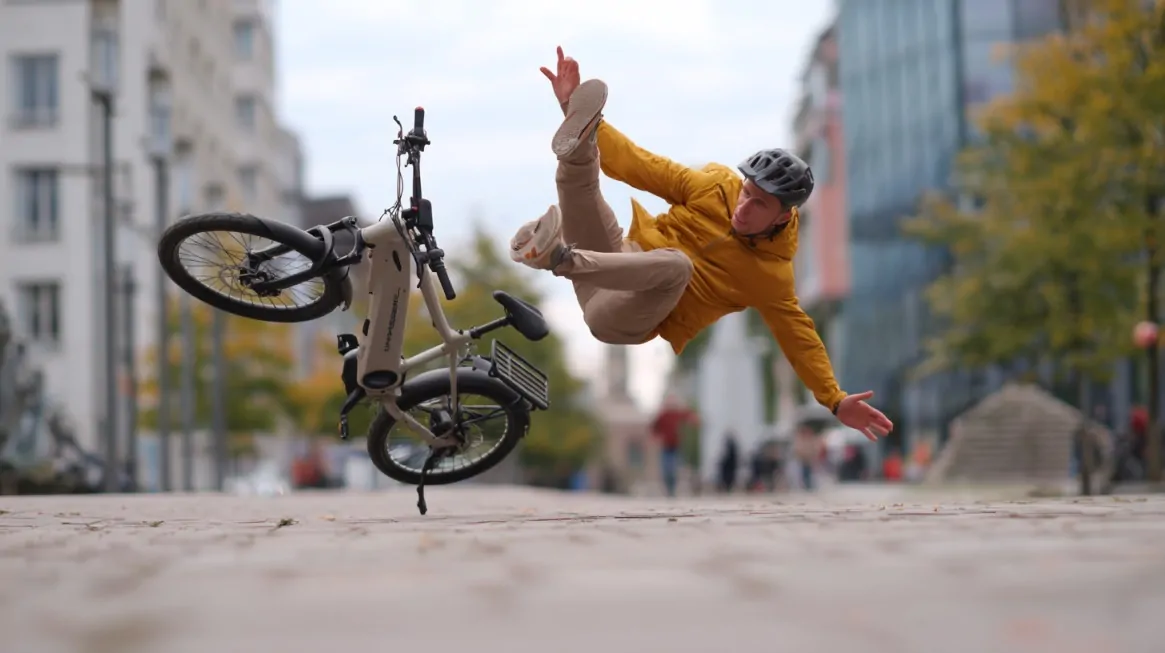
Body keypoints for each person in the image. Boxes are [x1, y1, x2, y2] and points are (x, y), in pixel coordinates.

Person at [510, 47, 893, 442]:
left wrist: (834, 399)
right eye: (746, 193)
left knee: (678, 266)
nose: (743, 207)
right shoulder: (714, 186)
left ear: (782, 217)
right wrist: (577, 112)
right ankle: (580, 140)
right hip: (613, 258)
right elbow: (640, 165)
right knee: (581, 181)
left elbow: (801, 340)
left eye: (759, 205)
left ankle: (557, 257)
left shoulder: (771, 277)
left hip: (622, 314)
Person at [649, 393, 698, 497]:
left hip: (676, 446)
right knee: (666, 468)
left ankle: (673, 489)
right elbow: (654, 426)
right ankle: (669, 489)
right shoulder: (663, 415)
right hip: (666, 446)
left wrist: (693, 419)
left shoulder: (677, 413)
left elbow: (688, 415)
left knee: (674, 468)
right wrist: (655, 437)